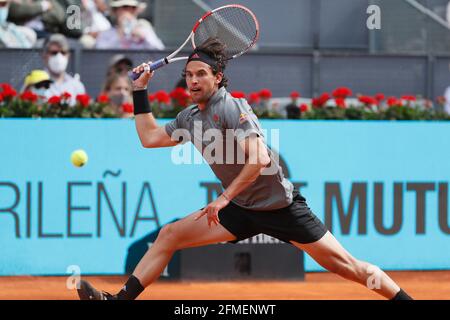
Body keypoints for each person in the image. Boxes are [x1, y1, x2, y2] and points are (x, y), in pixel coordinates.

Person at [77, 38, 413, 301]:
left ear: (218, 77)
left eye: (201, 75)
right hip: (241, 209)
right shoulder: (189, 118)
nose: (192, 81)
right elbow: (149, 138)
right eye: (189, 75)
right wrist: (140, 92)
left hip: (280, 208)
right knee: (169, 236)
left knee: (349, 268)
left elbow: (260, 160)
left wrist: (223, 198)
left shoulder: (232, 107)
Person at [95, 0, 164, 50]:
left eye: (133, 8)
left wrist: (143, 37)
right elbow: (99, 54)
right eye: (125, 7)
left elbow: (160, 50)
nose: (129, 11)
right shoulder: (106, 34)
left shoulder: (145, 30)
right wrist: (120, 35)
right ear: (115, 11)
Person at [42, 33, 86, 105]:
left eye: (63, 52)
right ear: (44, 55)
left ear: (68, 55)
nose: (59, 56)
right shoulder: (35, 84)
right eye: (54, 53)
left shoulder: (77, 85)